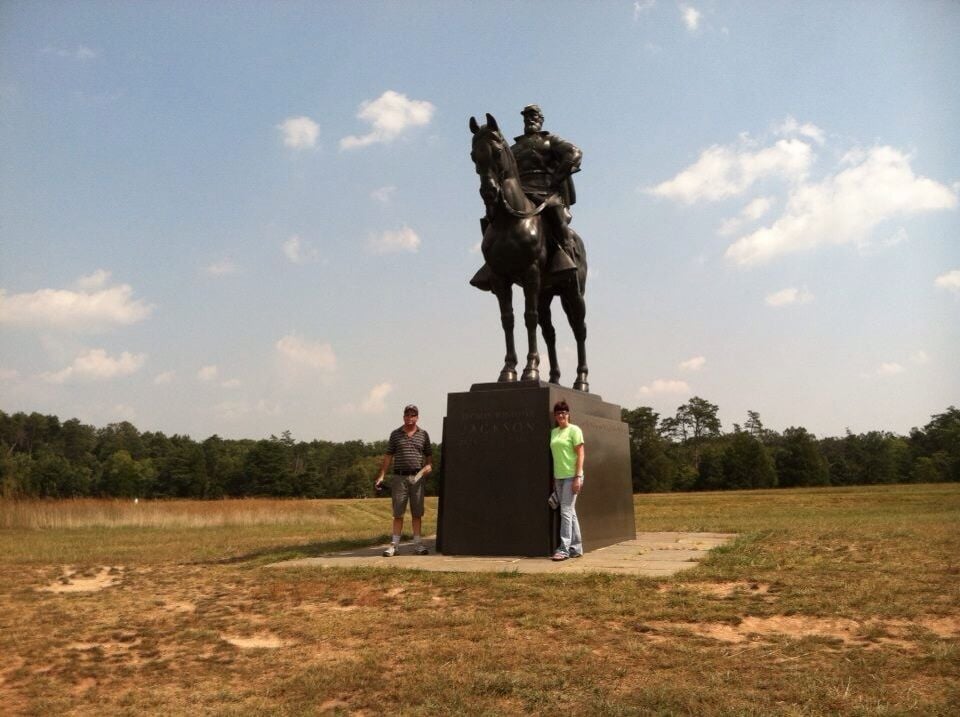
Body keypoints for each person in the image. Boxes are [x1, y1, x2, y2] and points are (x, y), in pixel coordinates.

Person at [510, 104, 583, 275]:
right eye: (527, 117)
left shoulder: (550, 141)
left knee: (555, 213)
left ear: (541, 120)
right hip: (520, 194)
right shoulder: (513, 149)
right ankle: (491, 267)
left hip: (545, 192)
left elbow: (574, 152)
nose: (530, 119)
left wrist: (558, 177)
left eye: (534, 116)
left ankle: (568, 256)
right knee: (493, 218)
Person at [375, 404, 433, 557]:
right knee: (398, 512)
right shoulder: (395, 434)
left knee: (417, 513)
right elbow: (388, 456)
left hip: (417, 477)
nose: (410, 418)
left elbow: (429, 458)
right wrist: (381, 475)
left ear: (417, 417)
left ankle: (418, 544)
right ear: (403, 417)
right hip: (399, 477)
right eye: (407, 415)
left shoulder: (424, 434)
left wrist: (428, 467)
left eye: (413, 415)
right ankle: (394, 545)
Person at [549, 400, 584, 560]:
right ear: (555, 416)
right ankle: (576, 548)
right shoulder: (554, 432)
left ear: (568, 414)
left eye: (563, 412)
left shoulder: (574, 430)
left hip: (572, 476)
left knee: (565, 512)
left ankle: (564, 549)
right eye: (558, 413)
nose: (561, 415)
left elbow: (581, 454)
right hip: (559, 477)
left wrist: (578, 477)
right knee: (571, 512)